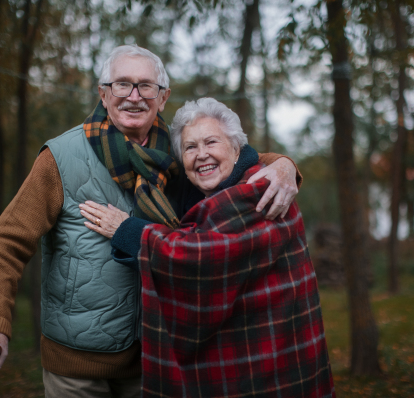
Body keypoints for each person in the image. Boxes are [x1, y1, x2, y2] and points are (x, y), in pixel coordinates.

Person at [0, 45, 301, 397]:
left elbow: (232, 156)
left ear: (163, 97)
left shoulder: (179, 153)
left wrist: (283, 164)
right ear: (104, 93)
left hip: (155, 358)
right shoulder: (61, 156)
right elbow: (7, 241)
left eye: (146, 86)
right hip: (76, 366)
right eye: (122, 84)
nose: (134, 96)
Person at [80, 98, 335, 397]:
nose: (201, 155)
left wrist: (124, 229)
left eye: (211, 142)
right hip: (244, 359)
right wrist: (285, 161)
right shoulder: (205, 192)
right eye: (190, 147)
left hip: (268, 364)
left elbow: (196, 256)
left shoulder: (258, 191)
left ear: (236, 148)